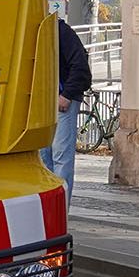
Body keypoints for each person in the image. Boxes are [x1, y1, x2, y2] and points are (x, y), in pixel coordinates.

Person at [40, 10, 91, 198]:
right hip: (44, 102)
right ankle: (50, 209)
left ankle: (59, 210)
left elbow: (81, 68)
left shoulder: (60, 31)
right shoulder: (44, 30)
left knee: (60, 157)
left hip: (61, 100)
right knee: (44, 158)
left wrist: (66, 95)